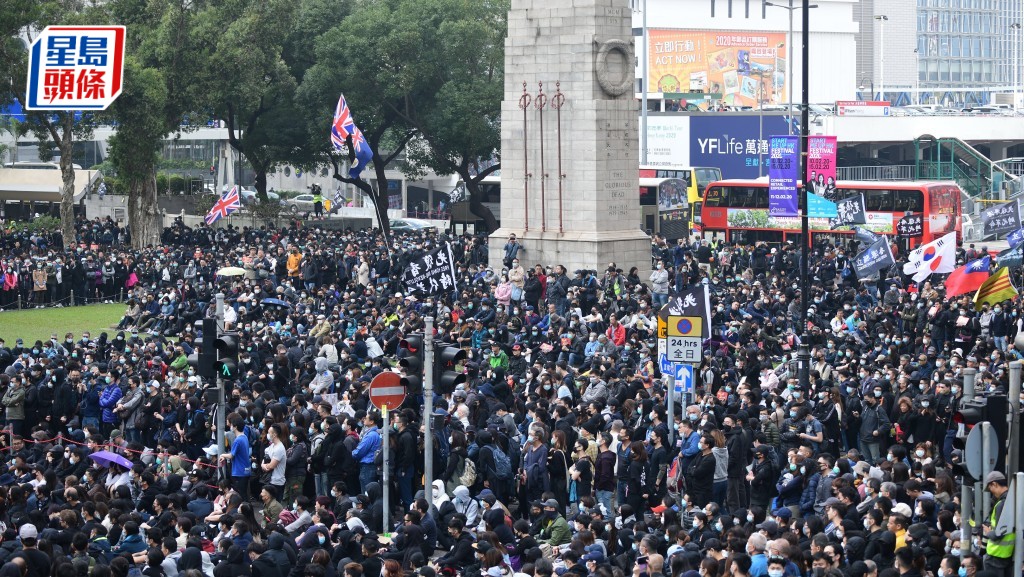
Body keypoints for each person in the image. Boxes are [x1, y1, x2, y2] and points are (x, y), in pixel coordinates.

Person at [983, 471, 1013, 577]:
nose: (991, 492)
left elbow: (999, 533)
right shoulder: (1013, 500)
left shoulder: (1001, 504)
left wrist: (988, 532)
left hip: (995, 555)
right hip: (1007, 554)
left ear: (994, 484)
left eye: (990, 488)